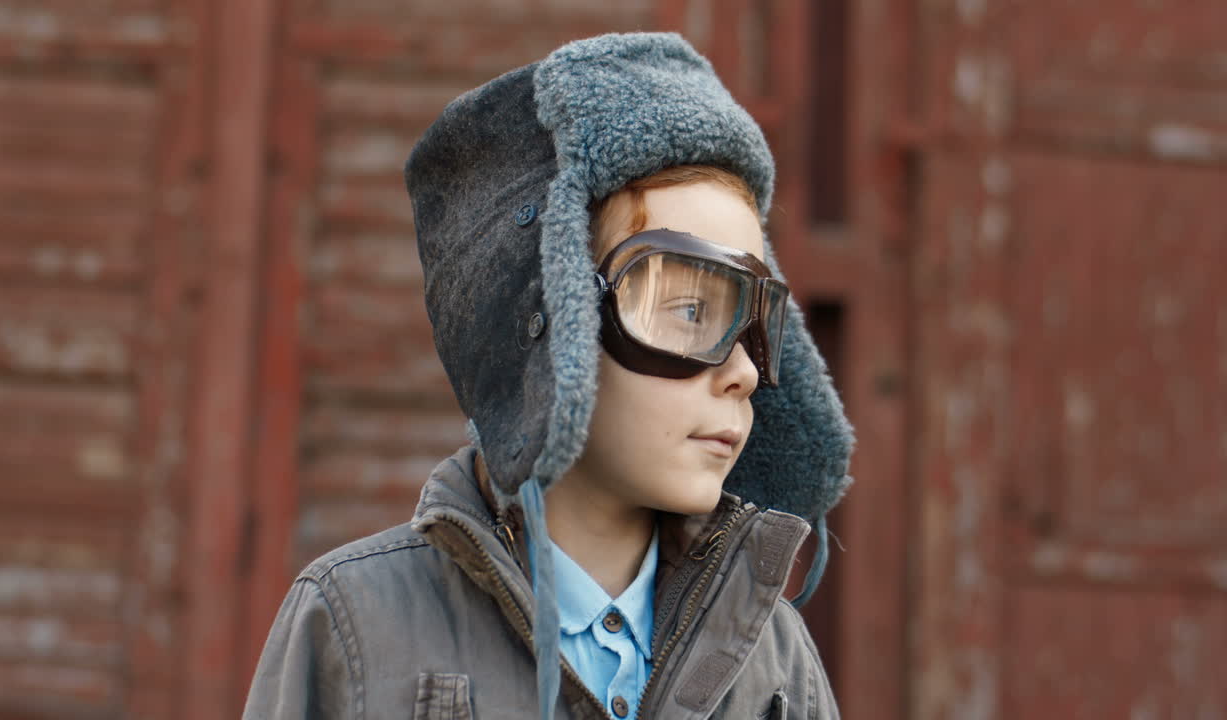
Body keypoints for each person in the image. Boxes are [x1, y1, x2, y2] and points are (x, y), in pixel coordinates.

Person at [243, 32, 853, 720]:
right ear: (551, 316)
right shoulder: (353, 625)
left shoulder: (777, 666)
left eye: (755, 323)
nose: (743, 371)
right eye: (690, 310)